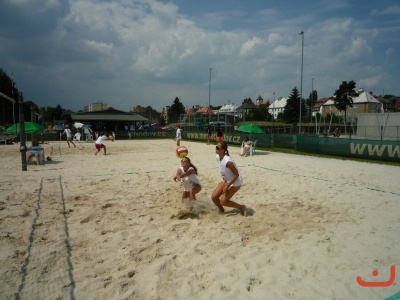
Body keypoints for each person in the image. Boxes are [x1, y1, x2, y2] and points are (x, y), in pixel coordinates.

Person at [212, 141, 247, 216]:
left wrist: (227, 186)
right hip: (227, 180)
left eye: (218, 148)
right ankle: (221, 210)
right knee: (214, 197)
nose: (216, 149)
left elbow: (236, 174)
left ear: (223, 150)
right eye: (216, 147)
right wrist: (224, 178)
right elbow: (223, 170)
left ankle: (241, 207)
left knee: (223, 201)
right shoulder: (218, 157)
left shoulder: (228, 161)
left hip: (235, 182)